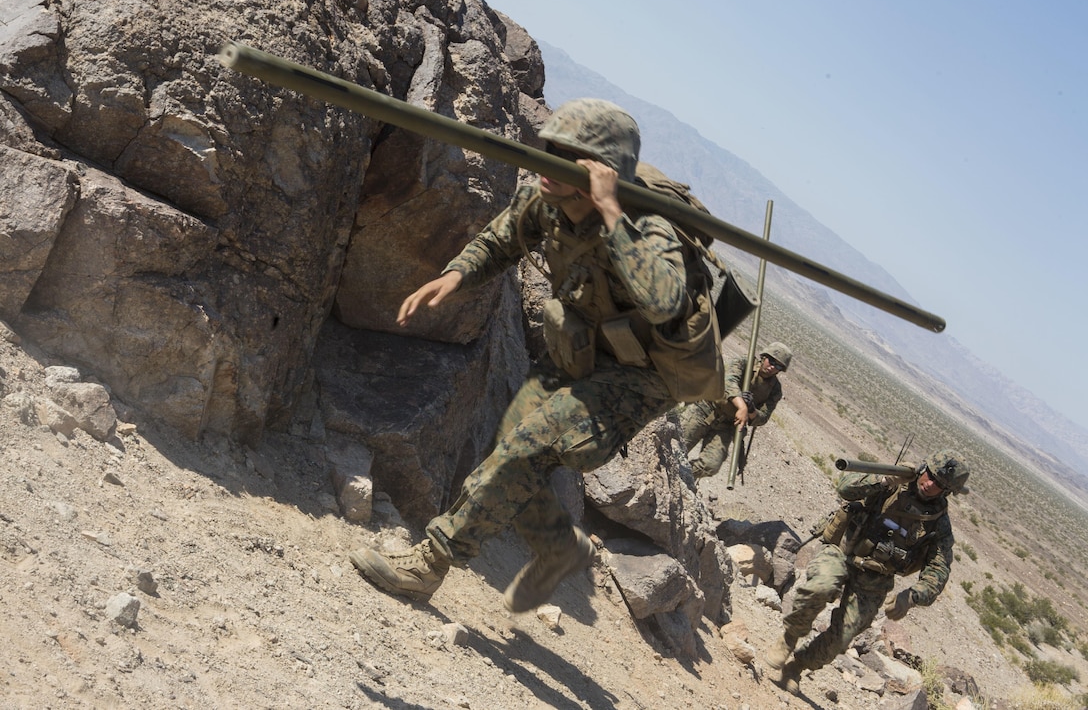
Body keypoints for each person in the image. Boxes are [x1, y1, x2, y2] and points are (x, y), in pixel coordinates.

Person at [350, 98, 715, 612]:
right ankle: (560, 548)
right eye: (551, 147)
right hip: (582, 347)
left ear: (602, 171)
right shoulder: (545, 200)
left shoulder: (647, 226)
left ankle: (430, 563)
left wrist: (611, 210)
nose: (550, 160)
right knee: (512, 449)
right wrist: (456, 275)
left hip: (640, 375)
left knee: (528, 447)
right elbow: (501, 241)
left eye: (570, 154)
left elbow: (662, 302)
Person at [766, 450, 971, 695]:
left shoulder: (938, 524)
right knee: (821, 587)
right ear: (924, 467)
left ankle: (797, 667)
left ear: (947, 491)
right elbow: (845, 486)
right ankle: (789, 638)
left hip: (875, 577)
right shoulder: (895, 480)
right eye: (930, 476)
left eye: (939, 484)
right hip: (840, 550)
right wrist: (883, 481)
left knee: (844, 636)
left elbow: (938, 569)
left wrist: (914, 595)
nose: (929, 484)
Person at [676, 342, 791, 480]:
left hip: (726, 426)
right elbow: (728, 382)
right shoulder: (743, 362)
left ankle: (680, 476)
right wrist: (742, 405)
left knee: (710, 465)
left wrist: (752, 409)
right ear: (764, 357)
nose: (772, 367)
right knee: (676, 447)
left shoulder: (775, 390)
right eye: (771, 361)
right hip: (706, 409)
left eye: (778, 366)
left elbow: (763, 417)